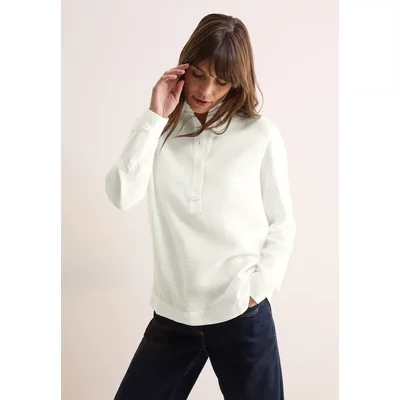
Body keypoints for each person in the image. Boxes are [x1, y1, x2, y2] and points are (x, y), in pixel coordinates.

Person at [105, 13, 296, 400]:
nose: (207, 90)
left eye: (221, 81)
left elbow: (282, 223)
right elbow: (122, 194)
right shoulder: (160, 130)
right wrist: (154, 116)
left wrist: (255, 290)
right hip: (174, 313)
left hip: (240, 311)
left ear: (237, 82)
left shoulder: (260, 135)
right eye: (199, 74)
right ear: (184, 67)